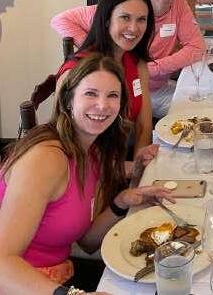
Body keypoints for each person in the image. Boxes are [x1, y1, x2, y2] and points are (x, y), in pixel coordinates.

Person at [0, 54, 174, 294]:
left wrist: (121, 201)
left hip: (58, 274)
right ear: (69, 100)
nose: (102, 105)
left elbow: (87, 242)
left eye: (112, 95)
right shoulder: (46, 158)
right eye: (91, 93)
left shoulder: (93, 151)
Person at [51, 0, 206, 118]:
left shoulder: (178, 4)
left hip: (156, 87)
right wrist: (96, 52)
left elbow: (197, 47)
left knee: (204, 107)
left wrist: (152, 69)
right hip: (122, 89)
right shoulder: (124, 4)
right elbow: (60, 20)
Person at [57, 0, 155, 159]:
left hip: (122, 158)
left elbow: (144, 126)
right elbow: (67, 143)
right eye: (125, 17)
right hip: (86, 166)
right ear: (107, 19)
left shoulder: (137, 63)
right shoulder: (76, 72)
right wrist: (120, 170)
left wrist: (139, 167)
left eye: (141, 19)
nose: (134, 28)